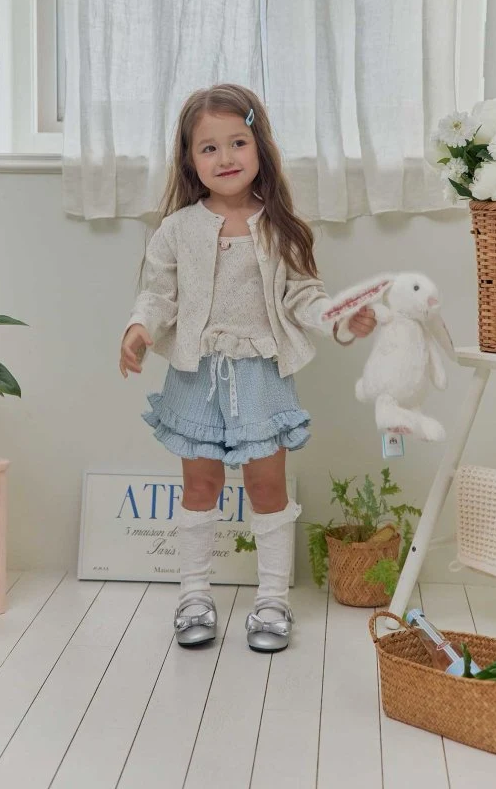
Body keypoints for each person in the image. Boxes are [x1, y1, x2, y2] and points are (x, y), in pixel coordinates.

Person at [119, 83, 376, 653]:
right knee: (200, 484)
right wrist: (139, 328)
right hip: (196, 376)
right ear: (190, 159)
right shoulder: (177, 229)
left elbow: (303, 295)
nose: (226, 157)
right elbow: (158, 293)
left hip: (261, 376)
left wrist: (338, 317)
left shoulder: (280, 227)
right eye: (208, 148)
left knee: (266, 485)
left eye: (238, 142)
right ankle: (193, 594)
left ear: (260, 147)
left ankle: (272, 599)